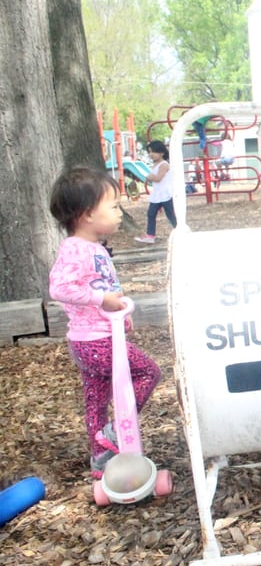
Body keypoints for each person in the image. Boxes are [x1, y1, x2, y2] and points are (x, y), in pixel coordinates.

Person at [48, 166, 162, 479]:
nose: (118, 213)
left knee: (96, 398)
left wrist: (120, 313)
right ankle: (113, 434)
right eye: (112, 207)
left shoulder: (94, 248)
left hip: (96, 336)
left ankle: (100, 459)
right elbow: (60, 288)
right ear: (86, 214)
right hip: (94, 341)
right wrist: (103, 302)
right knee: (149, 372)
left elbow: (102, 288)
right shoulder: (75, 249)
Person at [134, 140, 175, 243]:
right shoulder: (155, 164)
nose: (151, 154)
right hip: (157, 194)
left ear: (161, 153)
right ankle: (150, 235)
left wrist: (151, 177)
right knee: (151, 214)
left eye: (153, 152)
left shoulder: (164, 165)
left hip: (166, 194)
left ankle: (179, 229)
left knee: (170, 214)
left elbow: (158, 178)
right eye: (149, 152)